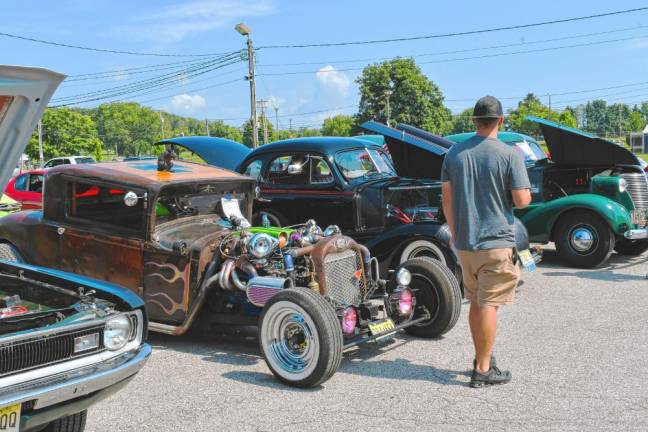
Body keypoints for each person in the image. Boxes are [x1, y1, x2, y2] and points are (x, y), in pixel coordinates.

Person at [440, 96, 532, 388]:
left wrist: (456, 235)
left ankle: (482, 356)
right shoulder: (509, 154)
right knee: (490, 305)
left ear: (474, 121)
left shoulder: (453, 154)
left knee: (477, 302)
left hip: (466, 244)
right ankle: (482, 369)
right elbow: (522, 200)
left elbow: (447, 201)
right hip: (496, 243)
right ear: (501, 121)